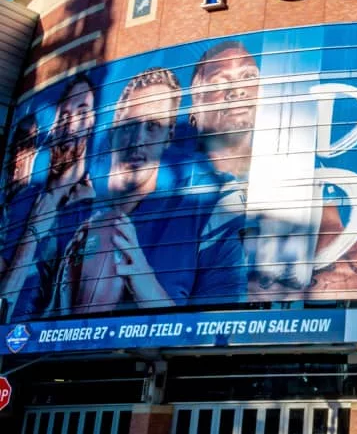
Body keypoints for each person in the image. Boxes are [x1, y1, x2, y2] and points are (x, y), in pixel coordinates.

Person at [189, 41, 357, 301]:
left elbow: (356, 287)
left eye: (247, 77)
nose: (237, 90)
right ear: (193, 113)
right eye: (219, 83)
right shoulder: (173, 187)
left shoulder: (300, 171)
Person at [49, 68, 246, 315]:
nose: (138, 139)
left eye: (153, 126)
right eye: (131, 124)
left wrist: (144, 281)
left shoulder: (206, 209)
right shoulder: (71, 217)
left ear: (169, 136)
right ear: (114, 126)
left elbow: (218, 330)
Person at [0, 75, 97, 319]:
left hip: (54, 350)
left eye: (81, 113)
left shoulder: (94, 210)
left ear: (92, 123)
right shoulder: (24, 199)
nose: (70, 124)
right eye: (64, 116)